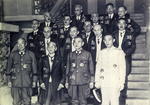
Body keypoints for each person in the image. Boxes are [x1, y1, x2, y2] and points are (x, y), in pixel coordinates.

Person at [95, 34, 126, 105]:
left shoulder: (119, 52)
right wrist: (97, 80)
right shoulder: (102, 52)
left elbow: (122, 68)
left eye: (109, 39)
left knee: (114, 101)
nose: (107, 42)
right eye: (105, 40)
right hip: (104, 81)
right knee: (104, 101)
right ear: (103, 41)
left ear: (113, 40)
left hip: (114, 81)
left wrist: (122, 82)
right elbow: (98, 67)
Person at [6, 38, 37, 105]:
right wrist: (9, 81)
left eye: (22, 43)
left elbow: (35, 69)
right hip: (16, 82)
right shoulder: (12, 55)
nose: (20, 45)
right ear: (17, 45)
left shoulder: (31, 54)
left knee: (27, 101)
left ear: (25, 44)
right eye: (18, 44)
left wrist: (34, 81)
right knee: (16, 102)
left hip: (27, 82)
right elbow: (8, 69)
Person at [112, 18, 136, 104]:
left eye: (123, 23)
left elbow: (133, 47)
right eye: (119, 23)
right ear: (117, 25)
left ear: (126, 25)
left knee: (123, 77)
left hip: (125, 58)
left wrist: (124, 53)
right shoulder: (113, 34)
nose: (121, 25)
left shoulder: (130, 34)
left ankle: (122, 98)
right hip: (114, 58)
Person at [65, 37, 94, 105]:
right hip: (73, 80)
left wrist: (92, 81)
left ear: (82, 43)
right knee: (74, 100)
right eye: (75, 42)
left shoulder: (87, 54)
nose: (76, 44)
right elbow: (68, 69)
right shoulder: (70, 55)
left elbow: (91, 69)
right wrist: (66, 81)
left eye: (79, 42)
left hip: (84, 80)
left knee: (83, 100)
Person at [27, 19, 42, 96]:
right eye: (33, 24)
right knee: (33, 73)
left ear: (38, 25)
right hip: (31, 57)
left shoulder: (42, 34)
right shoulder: (29, 35)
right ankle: (34, 90)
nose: (34, 25)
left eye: (36, 24)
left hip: (39, 57)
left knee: (40, 72)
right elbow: (28, 47)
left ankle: (41, 91)